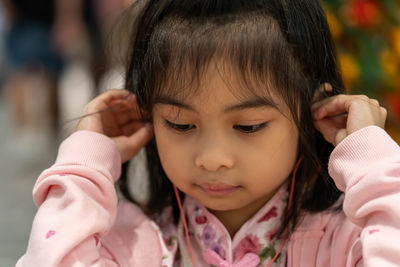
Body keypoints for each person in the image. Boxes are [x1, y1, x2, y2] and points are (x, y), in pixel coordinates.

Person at [16, 0, 400, 266]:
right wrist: (85, 161)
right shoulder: (130, 243)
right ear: (149, 117)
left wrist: (370, 159)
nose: (212, 157)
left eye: (248, 126)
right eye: (181, 125)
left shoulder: (347, 242)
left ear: (312, 113)